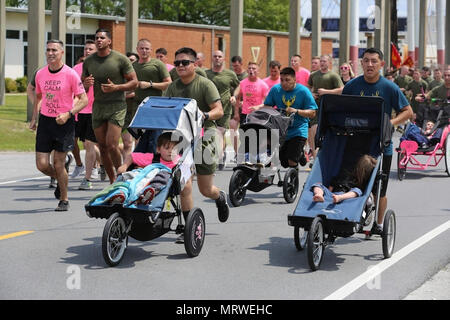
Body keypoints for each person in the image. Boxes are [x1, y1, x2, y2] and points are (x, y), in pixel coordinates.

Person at [342, 47, 413, 234]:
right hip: (356, 143)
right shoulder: (352, 86)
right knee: (353, 182)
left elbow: (408, 111)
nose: (370, 64)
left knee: (379, 189)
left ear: (381, 64)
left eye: (374, 61)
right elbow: (341, 110)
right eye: (366, 61)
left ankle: (379, 224)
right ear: (362, 63)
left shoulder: (389, 88)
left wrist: (391, 122)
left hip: (382, 145)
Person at [164, 47, 230, 231]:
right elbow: (164, 108)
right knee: (184, 185)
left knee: (206, 189)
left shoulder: (205, 84)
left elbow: (219, 110)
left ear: (194, 64)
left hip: (204, 136)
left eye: (185, 62)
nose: (180, 66)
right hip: (180, 137)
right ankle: (189, 228)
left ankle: (220, 197)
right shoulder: (172, 86)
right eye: (177, 63)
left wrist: (204, 115)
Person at [29, 39, 88, 211]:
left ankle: (64, 199)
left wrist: (69, 114)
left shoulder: (70, 74)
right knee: (41, 164)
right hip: (46, 121)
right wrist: (34, 118)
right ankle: (61, 178)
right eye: (48, 50)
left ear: (62, 53)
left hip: (64, 121)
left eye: (54, 50)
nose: (50, 53)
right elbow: (39, 97)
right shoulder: (40, 73)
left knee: (59, 163)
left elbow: (83, 100)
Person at [82, 28, 138, 184]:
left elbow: (134, 82)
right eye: (96, 38)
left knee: (112, 145)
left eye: (102, 38)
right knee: (102, 146)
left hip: (117, 106)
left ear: (109, 41)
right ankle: (113, 181)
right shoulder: (89, 61)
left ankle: (121, 175)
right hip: (98, 106)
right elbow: (83, 86)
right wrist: (85, 84)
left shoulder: (120, 59)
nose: (99, 40)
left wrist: (117, 88)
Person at [261, 67, 317, 168]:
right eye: (281, 80)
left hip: (299, 130)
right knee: (284, 163)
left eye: (287, 80)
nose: (284, 83)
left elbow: (312, 112)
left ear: (294, 80)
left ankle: (292, 182)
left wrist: (297, 111)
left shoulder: (304, 91)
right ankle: (300, 154)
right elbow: (267, 106)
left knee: (291, 162)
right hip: (282, 130)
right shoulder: (275, 90)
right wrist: (271, 112)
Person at [132, 39, 172, 157]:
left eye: (147, 49)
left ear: (151, 50)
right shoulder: (133, 66)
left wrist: (150, 84)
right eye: (142, 48)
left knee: (155, 138)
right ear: (137, 50)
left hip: (156, 106)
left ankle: (155, 163)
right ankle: (140, 163)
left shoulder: (158, 64)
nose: (144, 51)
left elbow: (169, 83)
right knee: (139, 137)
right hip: (138, 106)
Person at [72, 39, 101, 190]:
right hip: (79, 111)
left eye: (90, 49)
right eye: (85, 49)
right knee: (75, 142)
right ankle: (100, 163)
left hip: (95, 111)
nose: (87, 51)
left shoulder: (101, 67)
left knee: (89, 143)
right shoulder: (76, 68)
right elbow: (72, 89)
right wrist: (84, 85)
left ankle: (87, 178)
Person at [206, 50, 240, 169]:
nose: (217, 58)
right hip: (210, 108)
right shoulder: (206, 73)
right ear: (212, 58)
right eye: (215, 56)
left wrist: (234, 96)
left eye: (219, 56)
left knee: (221, 132)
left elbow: (238, 85)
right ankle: (216, 154)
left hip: (225, 109)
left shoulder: (229, 74)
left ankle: (219, 157)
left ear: (223, 59)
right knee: (210, 133)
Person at [307, 55, 344, 164]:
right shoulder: (313, 75)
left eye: (324, 61)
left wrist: (326, 92)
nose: (322, 63)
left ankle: (328, 158)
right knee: (313, 133)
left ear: (329, 62)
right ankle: (315, 159)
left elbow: (342, 89)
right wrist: (311, 94)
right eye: (321, 61)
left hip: (329, 108)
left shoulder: (333, 76)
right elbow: (308, 87)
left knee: (327, 134)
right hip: (316, 108)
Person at [312, 154, 377, 204]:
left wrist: (329, 193)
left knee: (318, 185)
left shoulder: (345, 173)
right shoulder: (363, 183)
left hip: (337, 194)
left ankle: (319, 194)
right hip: (343, 195)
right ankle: (323, 196)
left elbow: (333, 182)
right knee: (357, 191)